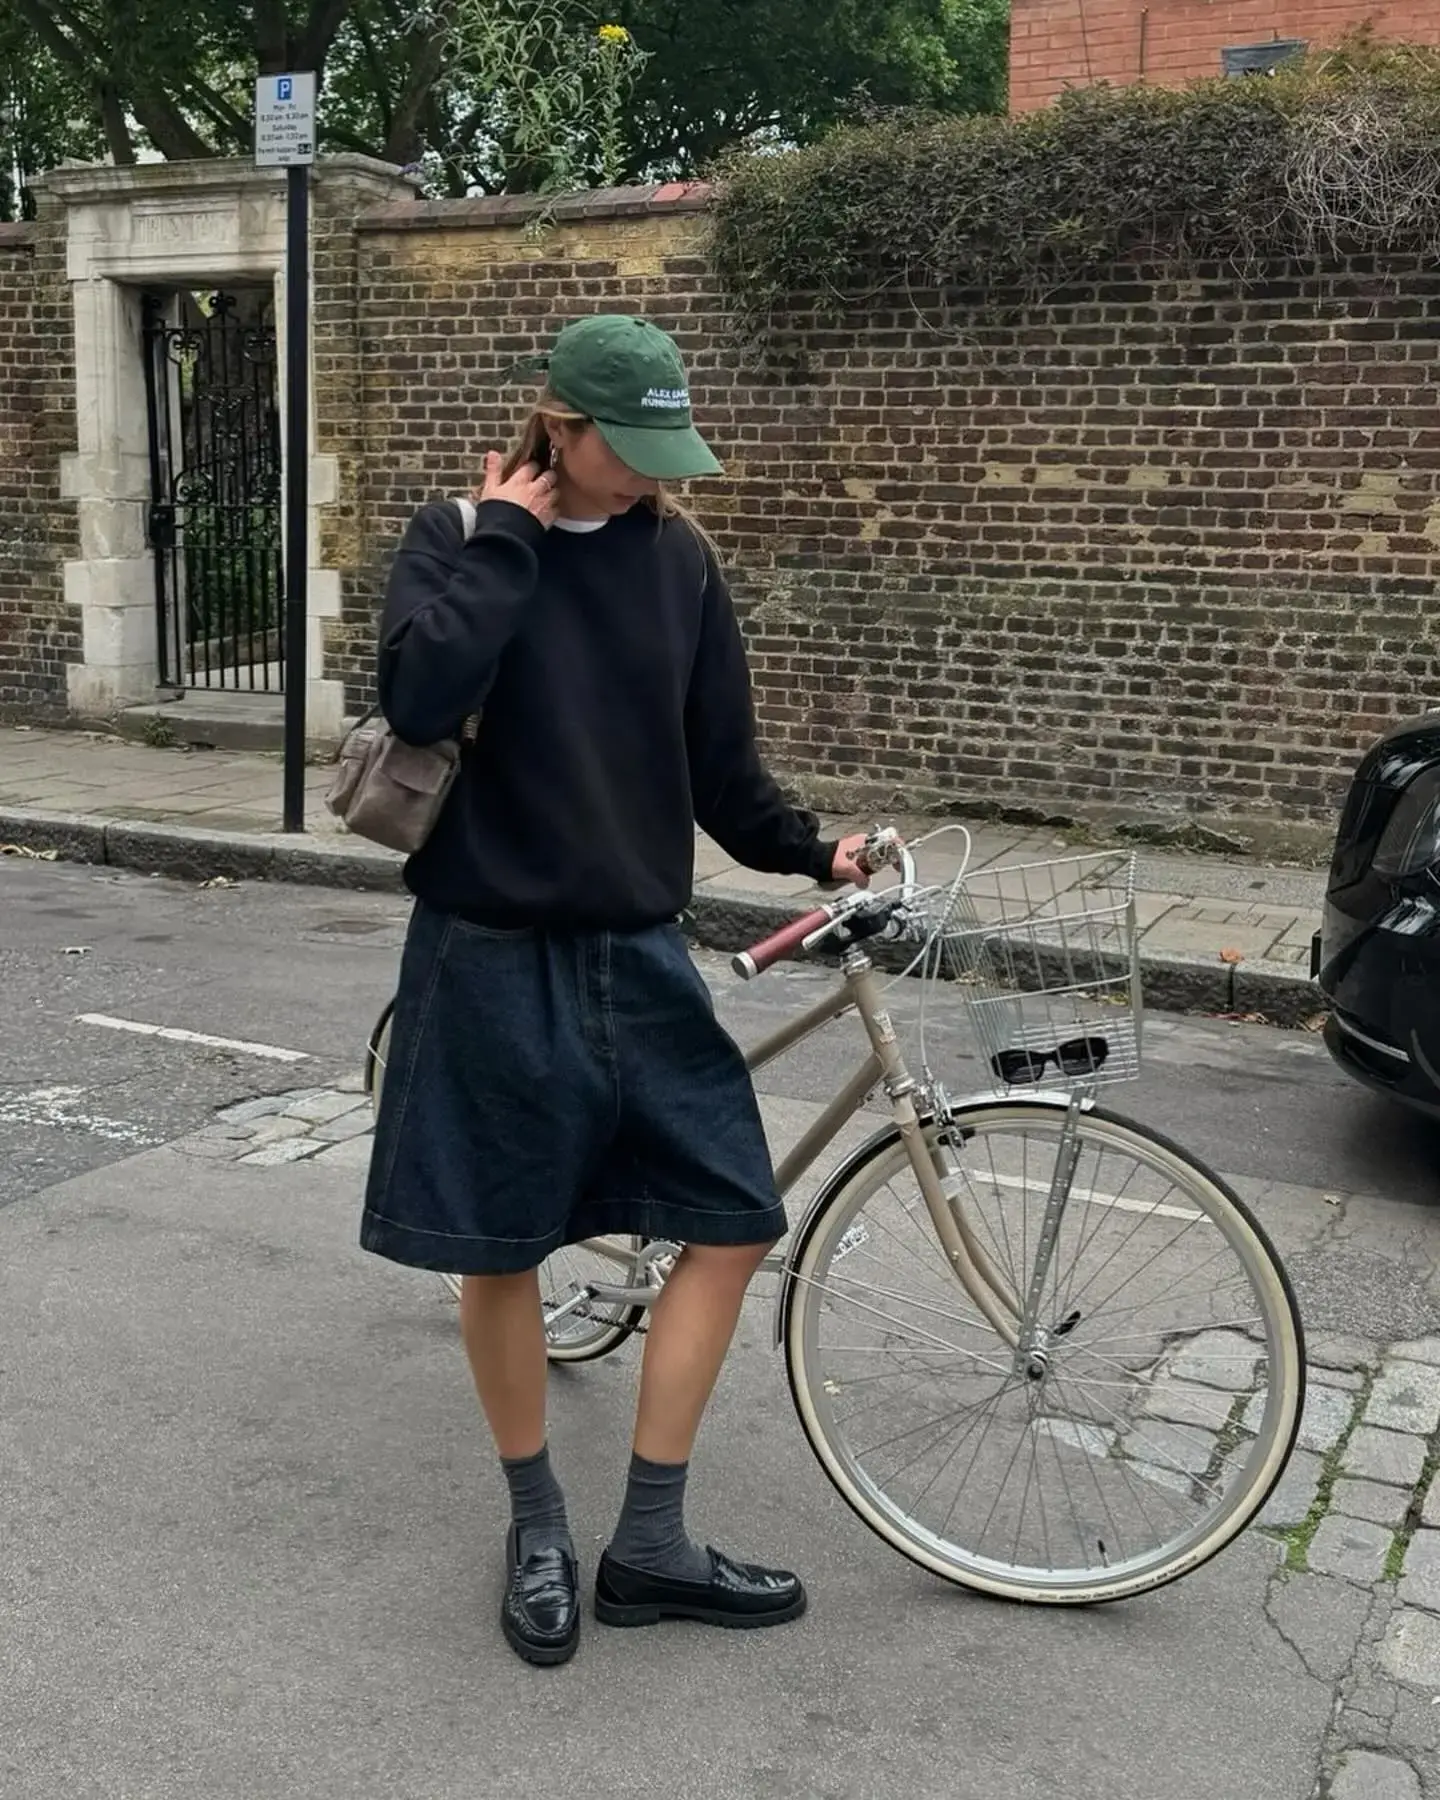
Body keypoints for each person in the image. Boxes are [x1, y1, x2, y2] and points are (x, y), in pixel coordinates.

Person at [361, 314, 869, 1668]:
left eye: (665, 453)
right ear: (562, 429)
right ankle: (536, 1520)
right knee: (502, 1245)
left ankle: (650, 1538)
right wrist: (506, 542)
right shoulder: (456, 538)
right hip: (485, 951)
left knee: (735, 1217)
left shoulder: (682, 563)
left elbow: (721, 771)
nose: (653, 477)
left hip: (637, 955)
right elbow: (419, 695)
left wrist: (816, 847)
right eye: (629, 451)